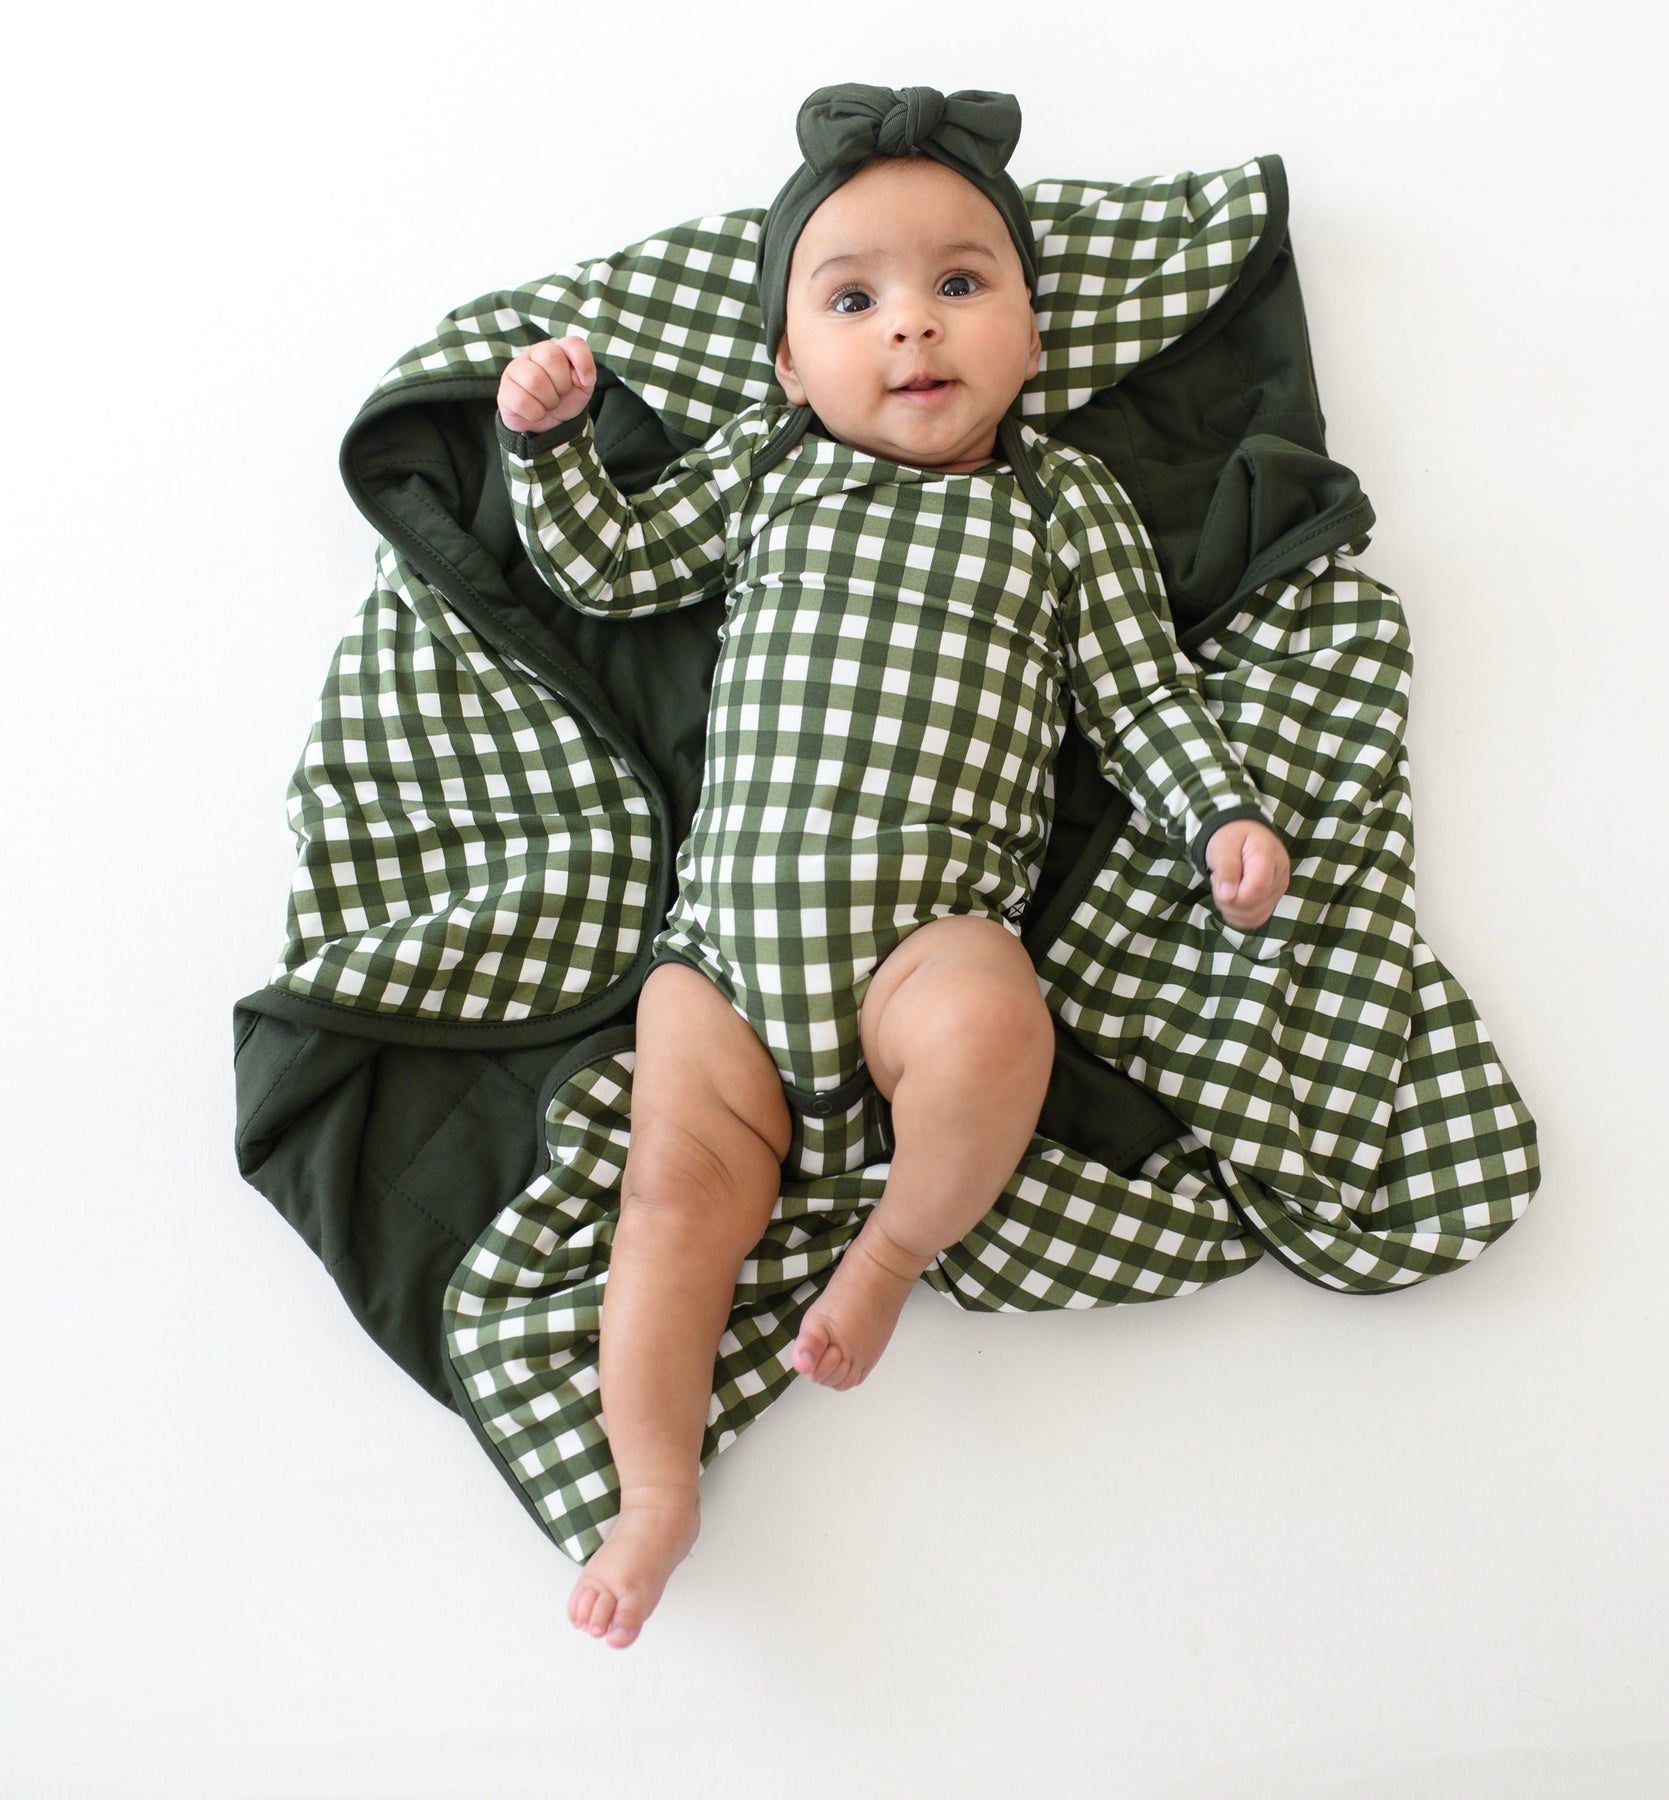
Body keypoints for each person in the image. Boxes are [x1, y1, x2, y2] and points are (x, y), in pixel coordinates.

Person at [494, 84, 1291, 1649]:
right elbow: (614, 568)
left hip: (928, 938)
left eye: (961, 283)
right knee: (669, 1197)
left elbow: (1138, 696)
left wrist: (1221, 819)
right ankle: (651, 1490)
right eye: (853, 300)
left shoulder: (1059, 504)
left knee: (997, 1025)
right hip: (726, 956)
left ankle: (892, 1248)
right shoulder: (773, 465)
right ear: (792, 366)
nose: (912, 326)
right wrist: (551, 444)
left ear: (1034, 337)